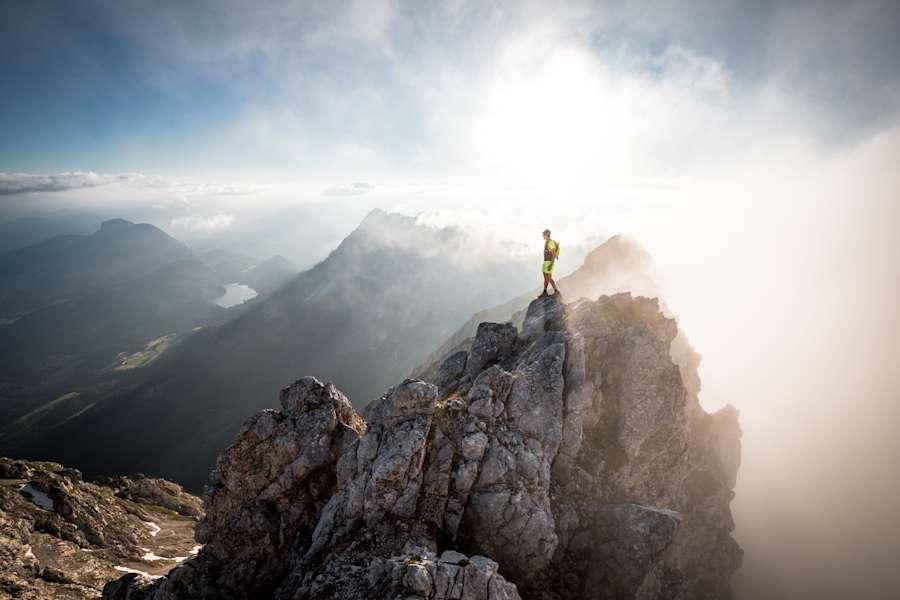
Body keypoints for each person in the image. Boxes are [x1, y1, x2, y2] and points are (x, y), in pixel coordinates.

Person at [539, 229, 561, 297]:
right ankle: (545, 292)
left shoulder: (550, 242)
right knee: (547, 278)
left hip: (549, 262)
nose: (543, 235)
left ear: (547, 235)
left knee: (548, 278)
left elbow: (553, 253)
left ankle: (556, 291)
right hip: (546, 262)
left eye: (544, 234)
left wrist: (551, 264)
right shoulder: (547, 242)